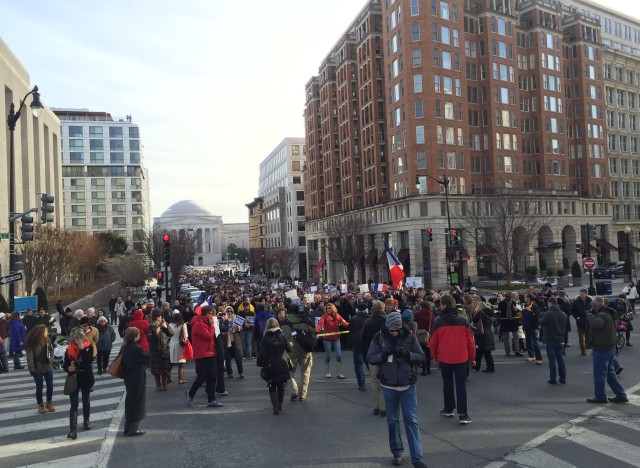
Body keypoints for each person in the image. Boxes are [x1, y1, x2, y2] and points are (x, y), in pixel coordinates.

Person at [367, 311, 426, 468]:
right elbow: (370, 357)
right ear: (387, 327)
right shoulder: (379, 337)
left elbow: (421, 356)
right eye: (391, 330)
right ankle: (397, 452)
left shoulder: (409, 336)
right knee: (392, 421)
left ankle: (417, 458)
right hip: (388, 385)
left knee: (411, 420)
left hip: (408, 385)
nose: (394, 333)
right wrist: (383, 355)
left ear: (401, 327)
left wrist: (408, 355)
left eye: (396, 330)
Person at [429, 294, 476, 425]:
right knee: (461, 385)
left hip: (445, 357)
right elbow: (470, 341)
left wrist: (434, 356)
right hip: (461, 357)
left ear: (443, 305)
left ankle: (449, 408)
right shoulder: (463, 319)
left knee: (447, 384)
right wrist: (472, 358)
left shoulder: (438, 321)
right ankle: (463, 414)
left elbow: (433, 342)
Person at [586, 296, 628, 404]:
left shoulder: (601, 314)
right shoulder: (609, 313)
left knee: (600, 374)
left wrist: (590, 316)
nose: (591, 306)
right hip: (610, 347)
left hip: (602, 348)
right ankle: (621, 394)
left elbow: (596, 324)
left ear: (596, 305)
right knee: (610, 373)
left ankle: (600, 396)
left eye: (592, 305)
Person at [186, 305, 223, 408]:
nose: (213, 316)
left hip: (210, 353)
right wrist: (212, 326)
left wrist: (216, 326)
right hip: (201, 354)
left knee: (213, 376)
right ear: (207, 314)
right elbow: (207, 336)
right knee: (202, 377)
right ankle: (190, 393)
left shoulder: (207, 322)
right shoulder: (198, 324)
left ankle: (212, 399)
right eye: (212, 314)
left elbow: (214, 336)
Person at [63, 327, 95, 440]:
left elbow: (89, 360)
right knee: (74, 404)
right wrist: (68, 368)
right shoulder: (69, 349)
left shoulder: (88, 346)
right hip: (73, 378)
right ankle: (73, 430)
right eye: (76, 338)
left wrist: (82, 349)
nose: (78, 340)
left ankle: (86, 420)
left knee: (86, 400)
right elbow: (64, 364)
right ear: (72, 339)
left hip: (86, 377)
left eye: (80, 338)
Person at [257, 317, 292, 415]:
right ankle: (280, 404)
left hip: (269, 364)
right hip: (282, 362)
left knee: (272, 385)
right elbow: (289, 349)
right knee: (281, 384)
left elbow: (262, 353)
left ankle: (275, 407)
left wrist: (259, 363)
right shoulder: (282, 335)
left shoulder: (265, 337)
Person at [281, 303, 316, 401]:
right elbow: (314, 331)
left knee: (289, 372)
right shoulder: (306, 321)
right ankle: (302, 394)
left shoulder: (284, 323)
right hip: (305, 350)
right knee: (305, 372)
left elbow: (282, 336)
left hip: (291, 351)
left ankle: (294, 390)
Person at [361, 300, 389, 416]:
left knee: (374, 381)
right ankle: (384, 408)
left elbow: (362, 338)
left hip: (371, 354)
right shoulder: (388, 320)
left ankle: (376, 406)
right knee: (384, 381)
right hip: (386, 354)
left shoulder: (368, 322)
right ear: (384, 308)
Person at [121, 326, 149, 436]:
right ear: (135, 337)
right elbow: (146, 358)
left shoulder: (125, 347)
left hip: (129, 376)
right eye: (138, 335)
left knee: (130, 400)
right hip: (137, 377)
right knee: (137, 401)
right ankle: (134, 429)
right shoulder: (135, 348)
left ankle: (127, 427)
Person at [25, 324, 55, 414]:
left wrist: (51, 360)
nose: (46, 332)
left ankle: (49, 402)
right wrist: (32, 369)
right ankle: (40, 405)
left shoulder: (48, 339)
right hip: (37, 367)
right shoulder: (31, 342)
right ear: (40, 332)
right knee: (40, 387)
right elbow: (29, 357)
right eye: (45, 331)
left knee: (50, 385)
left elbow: (51, 350)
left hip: (47, 366)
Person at [315, 302, 349, 379]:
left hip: (336, 338)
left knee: (339, 355)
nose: (328, 309)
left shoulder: (337, 316)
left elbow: (344, 323)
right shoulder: (324, 316)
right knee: (328, 356)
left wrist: (351, 326)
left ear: (333, 308)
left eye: (329, 308)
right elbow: (320, 324)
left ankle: (339, 373)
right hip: (327, 339)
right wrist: (317, 331)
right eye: (327, 308)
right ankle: (328, 372)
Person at [539, 297, 567, 385]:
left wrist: (541, 315)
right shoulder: (563, 314)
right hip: (561, 338)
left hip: (550, 339)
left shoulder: (548, 314)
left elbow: (541, 322)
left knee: (552, 360)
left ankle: (553, 378)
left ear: (550, 303)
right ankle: (563, 377)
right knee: (560, 359)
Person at [147, 310, 174, 391]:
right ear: (155, 317)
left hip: (165, 349)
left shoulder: (165, 324)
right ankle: (158, 384)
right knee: (157, 370)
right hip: (155, 351)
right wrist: (156, 333)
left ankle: (164, 383)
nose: (160, 317)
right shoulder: (150, 327)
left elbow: (171, 334)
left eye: (161, 316)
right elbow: (149, 339)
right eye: (158, 316)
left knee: (165, 369)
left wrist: (166, 328)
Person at [348, 302, 371, 391]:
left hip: (357, 344)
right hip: (368, 344)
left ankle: (361, 383)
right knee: (370, 363)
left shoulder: (354, 319)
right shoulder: (369, 319)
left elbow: (350, 329)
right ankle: (375, 379)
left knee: (358, 364)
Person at [471, 298, 495, 373]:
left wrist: (476, 311)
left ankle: (490, 368)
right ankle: (477, 366)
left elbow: (474, 319)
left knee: (485, 351)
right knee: (480, 351)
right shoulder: (488, 312)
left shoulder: (480, 312)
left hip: (482, 334)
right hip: (487, 332)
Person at [498, 292, 523, 357]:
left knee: (514, 337)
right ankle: (508, 351)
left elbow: (518, 312)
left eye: (508, 297)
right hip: (506, 322)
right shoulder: (502, 303)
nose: (507, 298)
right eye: (506, 296)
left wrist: (516, 310)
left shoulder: (513, 303)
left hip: (511, 321)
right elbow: (498, 312)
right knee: (508, 338)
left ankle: (515, 351)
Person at [522, 294, 543, 365]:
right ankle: (531, 355)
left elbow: (538, 317)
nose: (524, 298)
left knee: (535, 343)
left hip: (534, 327)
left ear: (529, 298)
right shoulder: (525, 305)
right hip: (527, 326)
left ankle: (539, 358)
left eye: (526, 297)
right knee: (528, 342)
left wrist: (538, 326)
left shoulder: (534, 306)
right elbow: (524, 316)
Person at [224, 306, 244, 378]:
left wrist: (238, 328)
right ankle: (229, 373)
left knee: (238, 357)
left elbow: (241, 328)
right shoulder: (223, 319)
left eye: (230, 311)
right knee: (228, 359)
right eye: (227, 311)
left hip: (235, 340)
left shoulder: (236, 318)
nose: (229, 313)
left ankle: (241, 372)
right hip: (227, 341)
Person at [169, 312, 188, 384]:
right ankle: (181, 379)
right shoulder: (183, 325)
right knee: (181, 362)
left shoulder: (170, 325)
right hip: (180, 344)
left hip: (171, 343)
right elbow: (186, 336)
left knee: (171, 361)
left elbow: (168, 335)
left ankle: (168, 377)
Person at [571, 289, 592, 356]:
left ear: (586, 294)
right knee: (581, 337)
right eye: (580, 294)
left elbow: (593, 309)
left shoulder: (590, 301)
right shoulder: (576, 302)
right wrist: (577, 318)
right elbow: (573, 311)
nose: (581, 295)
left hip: (589, 321)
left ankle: (589, 347)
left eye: (582, 294)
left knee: (589, 335)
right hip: (580, 321)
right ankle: (583, 350)